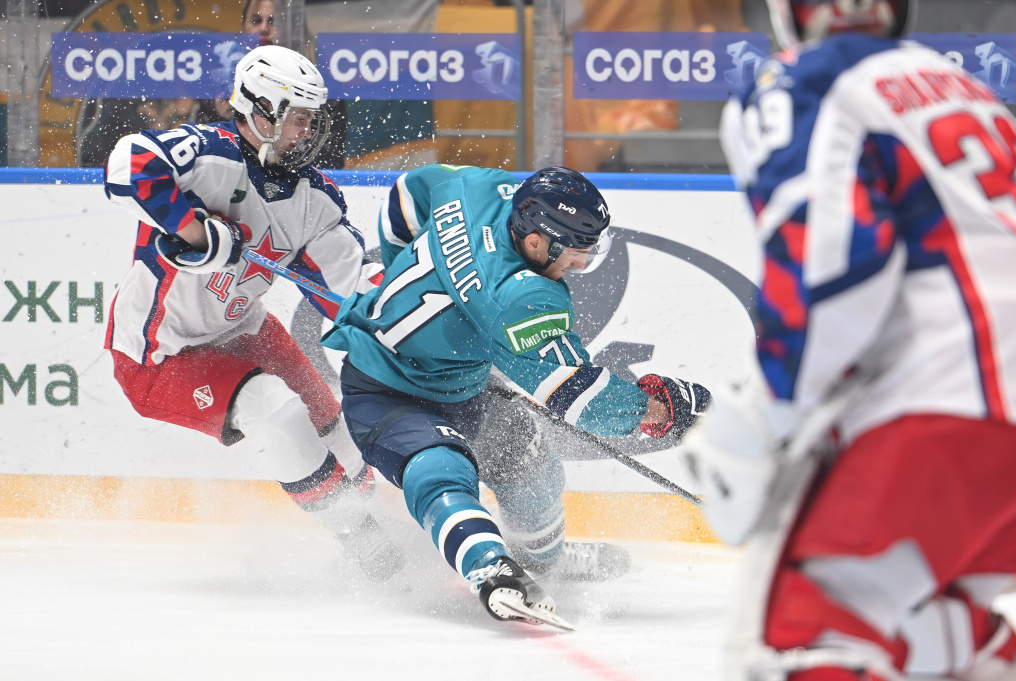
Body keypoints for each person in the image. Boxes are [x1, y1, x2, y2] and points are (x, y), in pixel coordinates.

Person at [684, 0, 1016, 679]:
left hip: (952, 405)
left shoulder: (803, 81)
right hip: (992, 421)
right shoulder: (961, 83)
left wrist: (766, 412)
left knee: (803, 633)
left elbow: (833, 268)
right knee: (917, 614)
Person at [321, 163, 712, 626]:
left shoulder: (482, 187)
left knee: (530, 465)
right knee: (440, 468)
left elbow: (408, 193)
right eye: (576, 252)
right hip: (386, 390)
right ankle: (491, 567)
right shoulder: (521, 297)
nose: (581, 264)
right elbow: (581, 397)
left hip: (466, 386)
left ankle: (545, 561)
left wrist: (399, 272)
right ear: (536, 241)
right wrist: (663, 409)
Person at [102, 45, 400, 579]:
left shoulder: (314, 199)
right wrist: (196, 230)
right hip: (159, 354)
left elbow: (351, 289)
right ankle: (367, 547)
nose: (308, 132)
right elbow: (129, 163)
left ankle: (387, 527)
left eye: (312, 119)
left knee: (337, 430)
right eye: (298, 118)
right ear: (261, 110)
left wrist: (413, 314)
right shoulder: (208, 156)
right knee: (276, 413)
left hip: (245, 329)